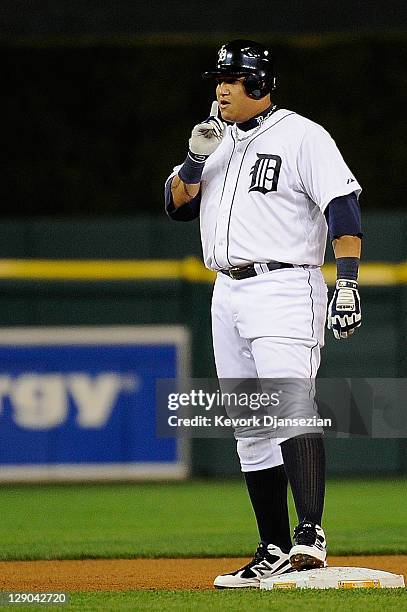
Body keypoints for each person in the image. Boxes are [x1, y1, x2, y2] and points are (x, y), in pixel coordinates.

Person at [165, 39, 362, 588]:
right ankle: (273, 547)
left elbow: (343, 210)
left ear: (260, 85)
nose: (221, 89)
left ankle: (310, 533)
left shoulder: (304, 136)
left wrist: (347, 284)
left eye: (233, 79)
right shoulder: (214, 138)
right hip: (226, 292)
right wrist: (195, 158)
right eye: (219, 79)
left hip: (284, 285)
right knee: (250, 427)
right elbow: (175, 204)